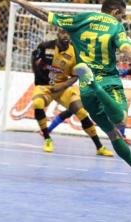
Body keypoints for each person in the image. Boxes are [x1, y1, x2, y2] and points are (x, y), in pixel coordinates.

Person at [0, 0, 131, 185]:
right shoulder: (115, 26)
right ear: (115, 12)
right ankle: (98, 87)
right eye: (122, 16)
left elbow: (46, 15)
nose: (122, 20)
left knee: (113, 135)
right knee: (120, 120)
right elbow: (126, 48)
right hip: (107, 81)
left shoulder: (82, 19)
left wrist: (20, 0)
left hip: (84, 86)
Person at [32, 28, 113, 157]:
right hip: (44, 86)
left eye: (69, 33)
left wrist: (63, 85)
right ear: (58, 33)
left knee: (81, 112)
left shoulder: (75, 52)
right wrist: (39, 77)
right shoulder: (45, 46)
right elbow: (34, 60)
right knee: (37, 103)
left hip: (63, 87)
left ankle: (99, 147)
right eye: (64, 32)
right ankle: (47, 138)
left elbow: (77, 75)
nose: (66, 36)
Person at [47, 67, 131, 143]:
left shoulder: (111, 71)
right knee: (71, 111)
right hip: (91, 98)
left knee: (120, 114)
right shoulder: (92, 70)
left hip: (103, 99)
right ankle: (48, 130)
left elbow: (130, 71)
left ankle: (122, 136)